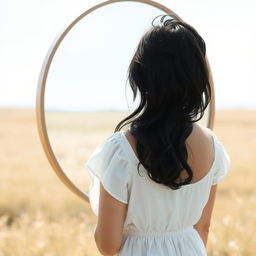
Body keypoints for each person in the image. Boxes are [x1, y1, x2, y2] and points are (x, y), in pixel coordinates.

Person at [84, 15, 230, 256]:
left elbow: (108, 245)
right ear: (197, 79)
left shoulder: (121, 150)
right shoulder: (212, 146)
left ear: (140, 76)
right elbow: (202, 227)